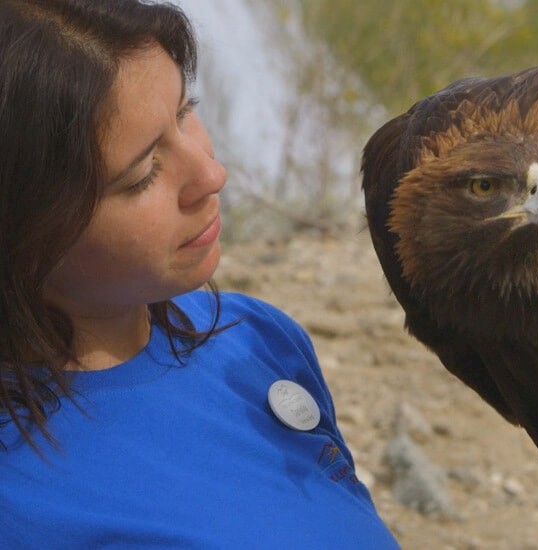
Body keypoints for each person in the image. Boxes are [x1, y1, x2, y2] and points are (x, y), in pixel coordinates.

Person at [0, 1, 400, 548]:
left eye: (187, 113)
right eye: (142, 176)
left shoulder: (257, 338)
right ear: (24, 228)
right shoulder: (21, 508)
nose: (212, 174)